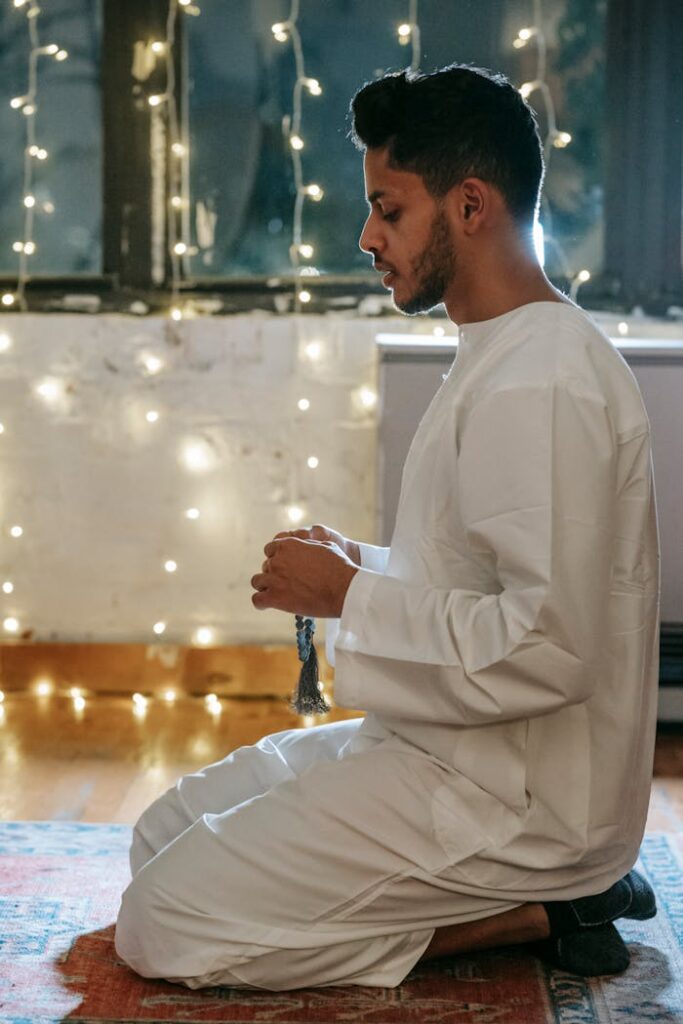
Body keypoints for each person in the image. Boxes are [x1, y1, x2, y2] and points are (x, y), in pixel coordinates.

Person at [114, 63, 660, 991]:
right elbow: (479, 580)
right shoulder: (500, 350)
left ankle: (535, 907)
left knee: (163, 924)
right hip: (443, 744)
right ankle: (507, 903)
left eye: (389, 209)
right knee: (157, 837)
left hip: (518, 798)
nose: (367, 235)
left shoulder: (542, 380)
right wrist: (357, 563)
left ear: (471, 205)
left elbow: (550, 646)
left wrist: (352, 595)